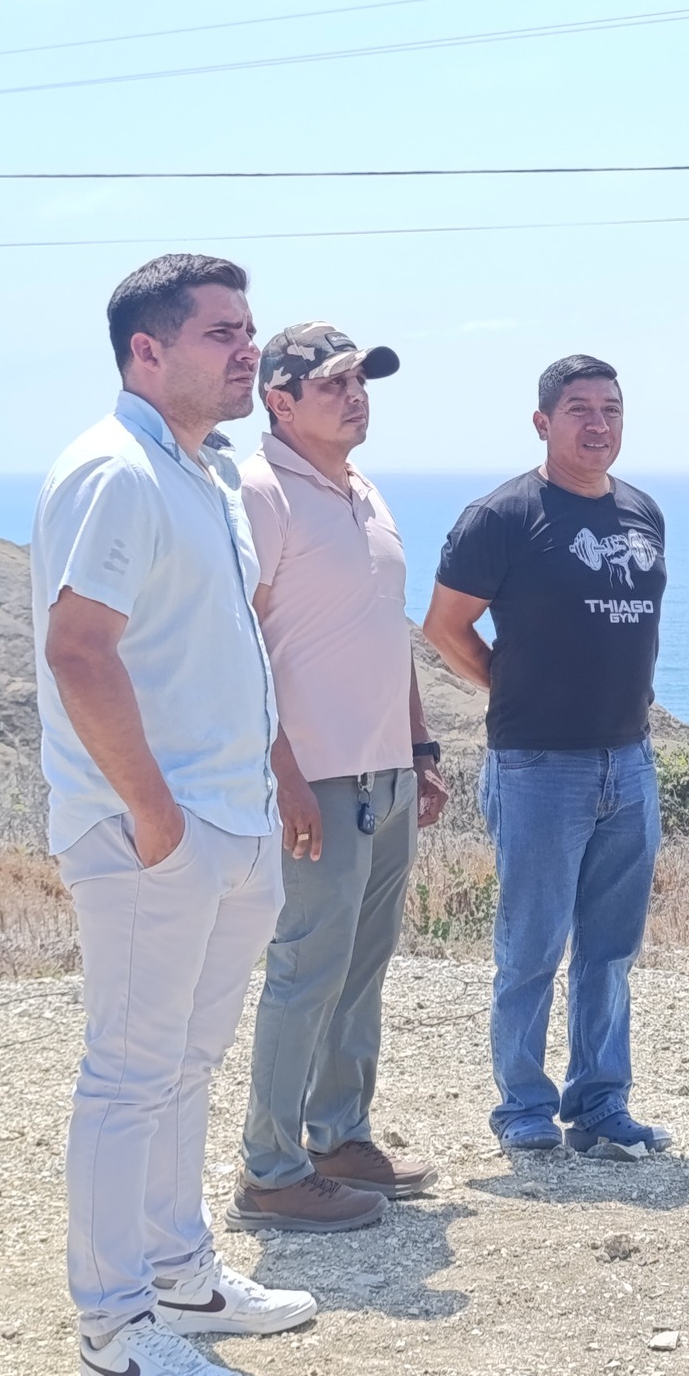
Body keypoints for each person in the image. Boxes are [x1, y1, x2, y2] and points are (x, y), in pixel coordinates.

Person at [34, 254, 315, 1376]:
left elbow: (221, 648)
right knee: (127, 1078)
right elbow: (78, 649)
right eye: (220, 333)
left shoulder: (202, 473)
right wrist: (155, 815)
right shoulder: (115, 471)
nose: (248, 349)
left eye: (249, 329)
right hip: (157, 833)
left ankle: (179, 1278)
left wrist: (258, 790)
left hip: (228, 822)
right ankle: (114, 1336)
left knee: (183, 1068)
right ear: (146, 351)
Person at [226, 321, 451, 1233]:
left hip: (383, 774)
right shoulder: (257, 491)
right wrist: (279, 770)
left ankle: (338, 1137)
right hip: (313, 779)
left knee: (359, 971)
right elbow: (238, 641)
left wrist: (419, 749)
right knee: (306, 971)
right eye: (333, 384)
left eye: (361, 381)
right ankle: (271, 1171)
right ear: (279, 400)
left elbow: (385, 628)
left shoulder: (363, 489)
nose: (356, 396)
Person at [424, 355, 670, 1159]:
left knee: (611, 949)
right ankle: (523, 1109)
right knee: (531, 947)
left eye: (611, 409)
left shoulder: (642, 512)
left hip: (628, 760)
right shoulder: (502, 516)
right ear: (543, 422)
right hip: (538, 766)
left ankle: (599, 1103)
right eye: (579, 410)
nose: (598, 425)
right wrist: (507, 683)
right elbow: (444, 627)